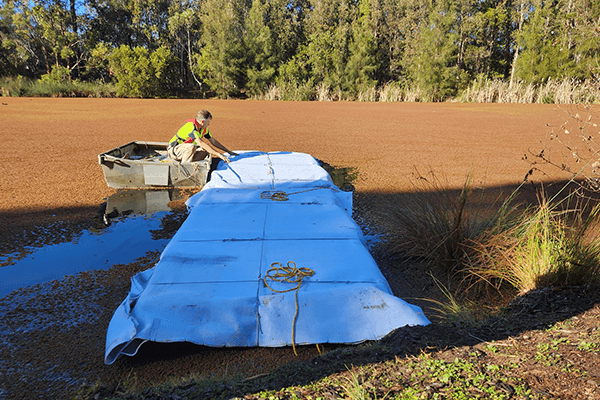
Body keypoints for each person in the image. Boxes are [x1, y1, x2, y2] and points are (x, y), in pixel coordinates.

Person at [167, 110, 238, 163]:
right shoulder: (191, 127)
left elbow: (213, 141)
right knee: (192, 147)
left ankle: (190, 163)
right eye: (208, 123)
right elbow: (200, 143)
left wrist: (228, 151)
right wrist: (218, 154)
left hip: (185, 151)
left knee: (206, 150)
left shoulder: (204, 129)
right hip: (174, 150)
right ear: (202, 122)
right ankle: (185, 170)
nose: (208, 125)